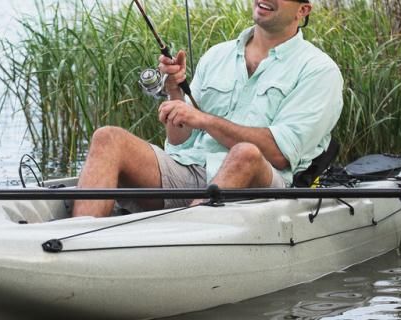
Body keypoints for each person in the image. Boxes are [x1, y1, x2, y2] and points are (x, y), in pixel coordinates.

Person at [72, 0, 343, 217]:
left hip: (263, 181)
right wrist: (175, 93)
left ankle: (181, 237)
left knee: (245, 154)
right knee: (108, 137)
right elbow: (179, 143)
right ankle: (72, 244)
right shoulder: (217, 55)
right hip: (191, 170)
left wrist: (204, 120)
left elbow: (280, 154)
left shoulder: (319, 70)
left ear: (303, 10)